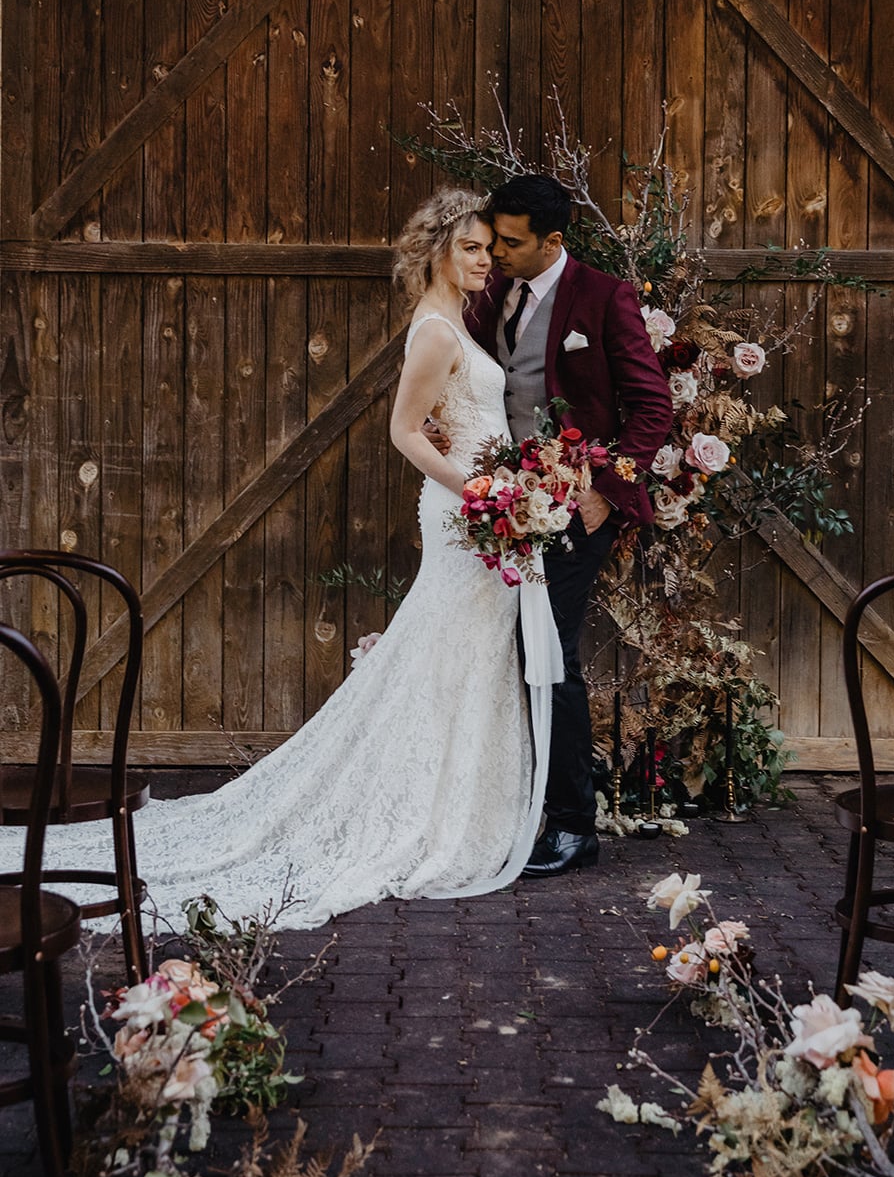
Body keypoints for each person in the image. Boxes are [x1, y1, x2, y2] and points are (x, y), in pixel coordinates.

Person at [5, 189, 557, 931]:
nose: (484, 260)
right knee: (445, 650)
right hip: (467, 509)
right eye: (470, 248)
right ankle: (419, 808)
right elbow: (405, 432)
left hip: (485, 508)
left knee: (461, 655)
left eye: (489, 249)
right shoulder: (434, 331)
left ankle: (451, 799)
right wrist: (484, 491)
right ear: (436, 252)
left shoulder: (460, 318)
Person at [464, 174, 673, 876]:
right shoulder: (492, 290)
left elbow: (652, 408)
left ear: (555, 240)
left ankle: (575, 825)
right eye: (494, 239)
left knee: (548, 652)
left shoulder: (604, 297)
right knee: (505, 653)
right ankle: (514, 805)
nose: (499, 253)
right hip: (501, 506)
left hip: (577, 509)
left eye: (513, 243)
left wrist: (608, 494)